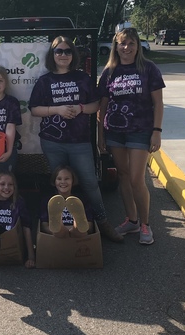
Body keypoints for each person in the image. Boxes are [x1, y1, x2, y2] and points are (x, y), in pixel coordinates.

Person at [28, 36, 124, 243]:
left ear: (73, 55)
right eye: (58, 51)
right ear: (52, 55)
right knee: (60, 184)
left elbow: (95, 105)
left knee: (90, 183)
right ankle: (60, 225)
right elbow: (34, 109)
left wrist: (80, 108)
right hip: (52, 142)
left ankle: (103, 222)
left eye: (67, 51)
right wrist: (58, 110)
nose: (63, 55)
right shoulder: (45, 81)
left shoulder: (83, 78)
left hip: (80, 142)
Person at [98, 28, 165, 245]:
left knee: (137, 179)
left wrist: (156, 132)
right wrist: (100, 136)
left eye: (131, 43)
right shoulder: (109, 72)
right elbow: (102, 107)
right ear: (115, 46)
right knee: (123, 176)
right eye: (122, 43)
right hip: (115, 131)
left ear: (138, 46)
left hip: (141, 130)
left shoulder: (148, 69)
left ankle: (145, 224)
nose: (126, 48)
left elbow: (158, 103)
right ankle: (132, 219)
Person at [40, 166, 94, 238]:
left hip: (79, 234)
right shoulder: (50, 201)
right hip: (58, 235)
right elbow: (44, 225)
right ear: (54, 181)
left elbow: (90, 225)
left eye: (67, 179)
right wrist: (65, 232)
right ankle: (59, 225)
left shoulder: (80, 200)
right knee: (59, 231)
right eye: (59, 179)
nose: (63, 182)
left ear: (73, 180)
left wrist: (71, 231)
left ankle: (76, 225)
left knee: (80, 230)